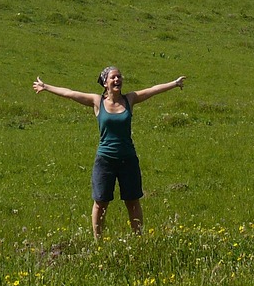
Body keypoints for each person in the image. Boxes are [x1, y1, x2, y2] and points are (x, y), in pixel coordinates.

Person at [33, 67, 186, 239]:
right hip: (105, 160)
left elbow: (152, 90)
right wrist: (46, 87)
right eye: (113, 77)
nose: (117, 80)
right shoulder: (97, 101)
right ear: (105, 82)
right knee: (100, 203)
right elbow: (70, 93)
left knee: (133, 202)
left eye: (119, 77)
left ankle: (139, 239)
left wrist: (174, 83)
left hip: (128, 159)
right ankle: (98, 241)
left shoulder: (130, 99)